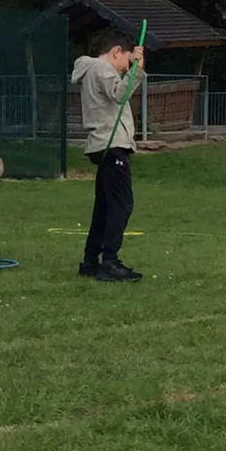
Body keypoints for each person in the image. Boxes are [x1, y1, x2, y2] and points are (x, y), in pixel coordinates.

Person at [71, 31, 146, 283]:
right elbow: (119, 95)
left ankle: (91, 261)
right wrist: (138, 70)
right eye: (126, 62)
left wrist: (132, 68)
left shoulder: (91, 70)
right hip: (112, 144)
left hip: (102, 145)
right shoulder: (102, 68)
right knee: (122, 204)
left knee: (104, 206)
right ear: (116, 52)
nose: (125, 69)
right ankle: (110, 262)